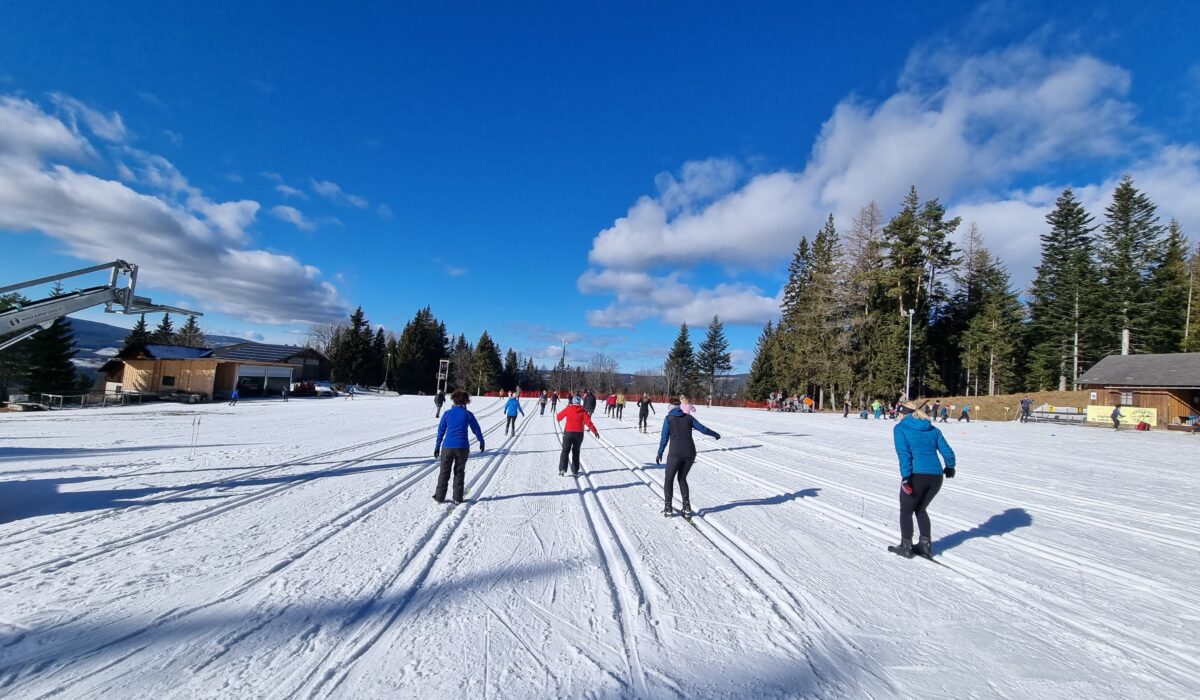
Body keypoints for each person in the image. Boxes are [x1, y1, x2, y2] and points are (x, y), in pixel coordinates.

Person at [889, 399, 956, 559]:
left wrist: (906, 477)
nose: (897, 415)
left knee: (906, 510)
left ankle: (906, 546)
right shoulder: (932, 429)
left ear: (903, 413)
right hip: (936, 477)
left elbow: (904, 454)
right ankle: (925, 545)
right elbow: (946, 450)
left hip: (916, 475)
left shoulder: (901, 429)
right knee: (920, 509)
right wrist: (950, 466)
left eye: (898, 412)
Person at [656, 397, 720, 517]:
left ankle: (668, 507)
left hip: (675, 454)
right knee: (682, 478)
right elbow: (702, 428)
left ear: (670, 406)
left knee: (669, 479)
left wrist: (660, 452)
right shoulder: (688, 417)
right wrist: (715, 434)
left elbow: (664, 438)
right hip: (690, 453)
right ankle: (687, 506)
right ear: (679, 406)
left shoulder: (669, 418)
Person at [433, 390, 486, 504]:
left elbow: (441, 431)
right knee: (459, 472)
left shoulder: (447, 414)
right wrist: (481, 441)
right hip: (462, 447)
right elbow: (476, 429)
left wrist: (437, 446)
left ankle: (439, 497)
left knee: (444, 472)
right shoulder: (468, 414)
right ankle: (457, 498)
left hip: (447, 447)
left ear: (454, 400)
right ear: (465, 401)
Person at [556, 396, 599, 476]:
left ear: (572, 402)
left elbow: (558, 417)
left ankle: (562, 469)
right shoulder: (583, 411)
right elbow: (589, 422)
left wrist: (559, 418)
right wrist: (595, 431)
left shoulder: (568, 408)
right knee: (576, 451)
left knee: (565, 451)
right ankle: (575, 470)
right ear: (580, 403)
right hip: (579, 434)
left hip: (568, 433)